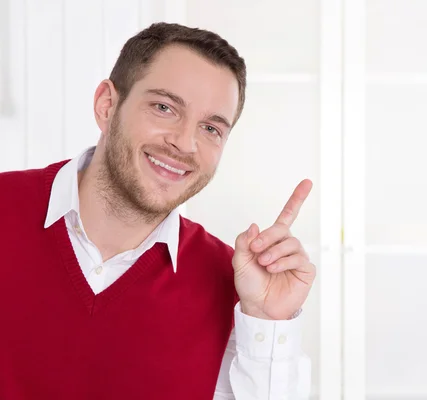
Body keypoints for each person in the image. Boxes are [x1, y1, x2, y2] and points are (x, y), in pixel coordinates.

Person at [0, 22, 314, 399]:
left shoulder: (234, 286)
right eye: (164, 108)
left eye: (211, 128)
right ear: (106, 106)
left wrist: (267, 321)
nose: (184, 143)